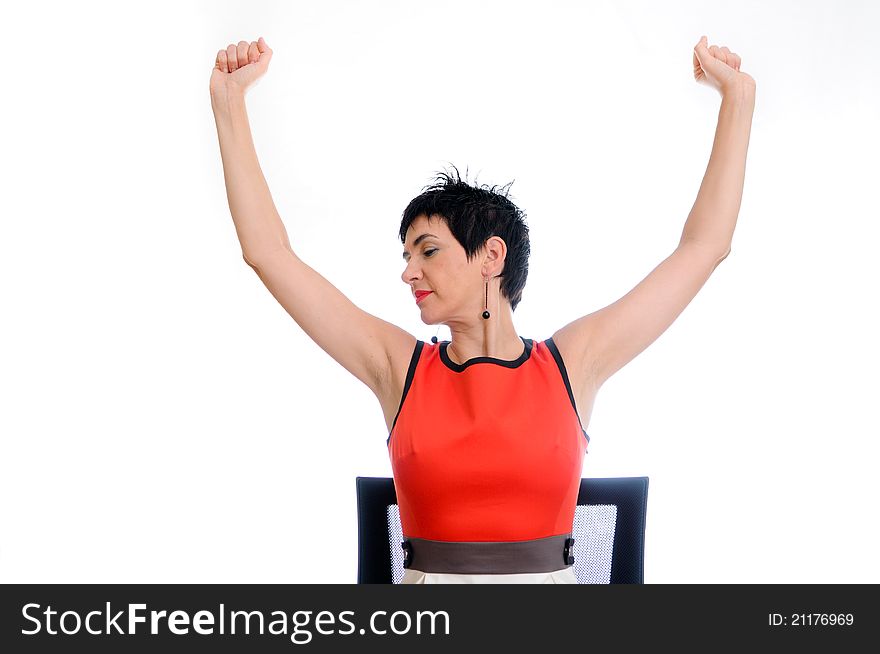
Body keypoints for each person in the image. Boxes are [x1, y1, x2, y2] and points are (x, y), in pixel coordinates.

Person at [210, 36, 755, 583]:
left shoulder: (574, 363)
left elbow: (702, 248)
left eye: (428, 250)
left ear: (491, 255)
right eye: (405, 256)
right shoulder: (399, 368)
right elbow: (269, 254)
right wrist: (228, 101)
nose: (408, 272)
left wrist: (737, 98)